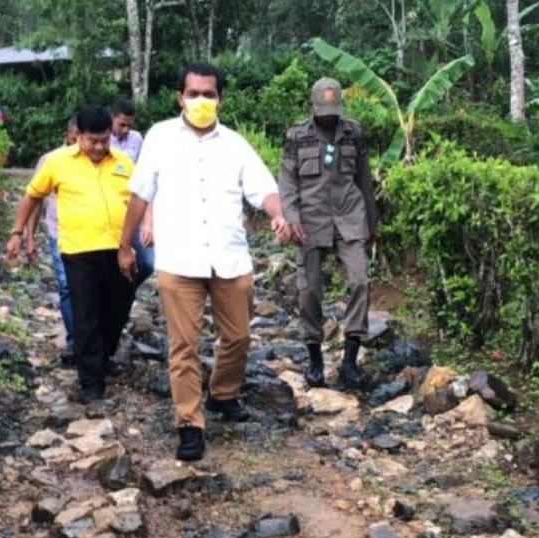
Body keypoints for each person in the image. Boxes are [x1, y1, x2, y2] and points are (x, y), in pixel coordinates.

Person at [118, 62, 293, 461]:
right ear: (180, 97)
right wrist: (124, 245)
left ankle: (223, 393)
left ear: (220, 99)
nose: (200, 101)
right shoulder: (160, 138)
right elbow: (140, 195)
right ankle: (189, 424)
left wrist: (278, 214)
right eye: (193, 93)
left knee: (239, 336)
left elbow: (263, 188)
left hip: (230, 257)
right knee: (184, 347)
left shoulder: (234, 144)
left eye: (208, 94)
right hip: (179, 259)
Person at [6, 106, 136, 403]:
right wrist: (17, 233)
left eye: (104, 140)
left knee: (118, 308)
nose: (99, 147)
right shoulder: (57, 162)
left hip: (119, 250)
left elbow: (141, 199)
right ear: (78, 136)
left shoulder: (124, 163)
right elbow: (32, 196)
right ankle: (91, 381)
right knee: (86, 313)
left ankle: (102, 355)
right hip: (78, 251)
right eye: (93, 141)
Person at [278, 77, 377, 391]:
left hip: (349, 216)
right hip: (310, 221)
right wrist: (291, 219)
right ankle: (315, 359)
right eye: (323, 111)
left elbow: (364, 181)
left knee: (360, 281)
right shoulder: (297, 137)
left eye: (334, 111)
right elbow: (287, 183)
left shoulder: (353, 132)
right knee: (309, 291)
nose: (329, 117)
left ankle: (349, 362)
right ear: (312, 107)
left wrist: (371, 226)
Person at [23, 118, 79, 364]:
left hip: (91, 236)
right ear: (68, 135)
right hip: (59, 233)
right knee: (67, 285)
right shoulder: (50, 161)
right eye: (75, 136)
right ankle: (75, 340)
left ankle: (91, 338)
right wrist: (29, 237)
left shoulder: (96, 160)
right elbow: (34, 200)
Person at [110, 99, 155, 294]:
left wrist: (148, 222)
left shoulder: (136, 139)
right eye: (121, 124)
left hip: (133, 208)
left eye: (129, 125)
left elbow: (145, 181)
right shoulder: (100, 139)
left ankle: (124, 293)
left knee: (148, 262)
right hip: (109, 211)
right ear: (112, 118)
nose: (126, 129)